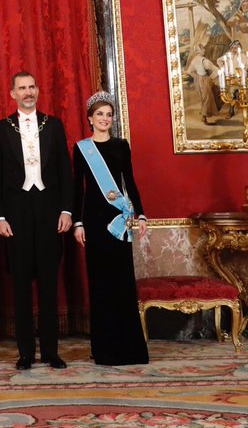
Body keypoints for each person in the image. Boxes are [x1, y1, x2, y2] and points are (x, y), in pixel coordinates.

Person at [0, 72, 72, 370]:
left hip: (49, 211)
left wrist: (67, 211)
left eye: (32, 87)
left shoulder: (54, 125)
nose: (28, 92)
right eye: (22, 88)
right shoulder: (1, 129)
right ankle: (25, 352)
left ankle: (50, 351)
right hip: (16, 213)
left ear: (38, 90)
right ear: (12, 93)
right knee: (21, 286)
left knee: (49, 284)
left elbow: (65, 171)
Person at [72, 92, 148, 365]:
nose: (105, 119)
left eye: (109, 114)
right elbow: (77, 189)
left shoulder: (121, 145)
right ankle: (104, 349)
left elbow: (131, 181)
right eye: (100, 114)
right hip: (94, 221)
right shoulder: (82, 149)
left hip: (119, 221)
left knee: (122, 281)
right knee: (101, 283)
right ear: (90, 118)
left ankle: (129, 349)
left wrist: (141, 215)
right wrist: (78, 222)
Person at [185, 43, 222, 125]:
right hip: (205, 80)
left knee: (204, 98)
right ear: (200, 50)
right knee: (207, 98)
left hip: (198, 81)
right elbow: (216, 70)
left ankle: (204, 116)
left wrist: (197, 76)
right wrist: (211, 77)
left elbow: (189, 71)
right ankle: (204, 117)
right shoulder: (204, 60)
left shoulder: (194, 60)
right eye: (203, 49)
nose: (204, 50)